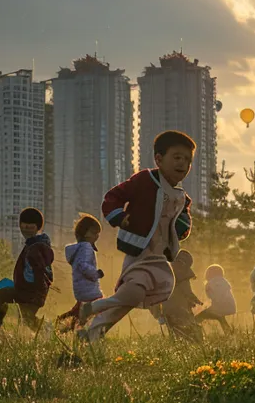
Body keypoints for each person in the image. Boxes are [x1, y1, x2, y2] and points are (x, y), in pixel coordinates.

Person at [81, 130, 195, 341]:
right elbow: (113, 197)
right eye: (177, 157)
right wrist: (119, 216)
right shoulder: (144, 180)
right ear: (159, 159)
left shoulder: (181, 196)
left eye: (187, 160)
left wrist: (181, 230)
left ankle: (93, 332)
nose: (183, 164)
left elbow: (183, 221)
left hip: (160, 255)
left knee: (132, 298)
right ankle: (94, 310)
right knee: (132, 294)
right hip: (139, 250)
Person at [0, 207, 53, 331]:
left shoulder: (37, 248)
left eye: (30, 226)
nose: (26, 228)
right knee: (3, 295)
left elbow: (41, 271)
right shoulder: (32, 244)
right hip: (23, 289)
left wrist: (39, 294)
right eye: (24, 225)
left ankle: (50, 331)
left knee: (27, 319)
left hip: (32, 292)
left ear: (37, 227)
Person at [57, 215, 105, 331]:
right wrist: (96, 274)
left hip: (81, 288)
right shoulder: (86, 247)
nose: (97, 236)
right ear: (85, 233)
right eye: (94, 233)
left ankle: (63, 326)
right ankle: (94, 332)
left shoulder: (79, 248)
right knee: (101, 310)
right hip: (89, 289)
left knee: (80, 311)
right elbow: (83, 266)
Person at [163, 249, 202, 341]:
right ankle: (195, 341)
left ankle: (174, 344)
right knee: (187, 324)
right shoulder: (183, 277)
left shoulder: (167, 274)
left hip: (167, 306)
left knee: (172, 327)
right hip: (181, 307)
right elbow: (187, 292)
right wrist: (197, 301)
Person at [197, 264, 236, 332]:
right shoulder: (224, 282)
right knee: (221, 318)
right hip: (231, 306)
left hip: (219, 307)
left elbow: (214, 297)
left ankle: (194, 334)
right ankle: (230, 333)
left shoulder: (209, 284)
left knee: (198, 318)